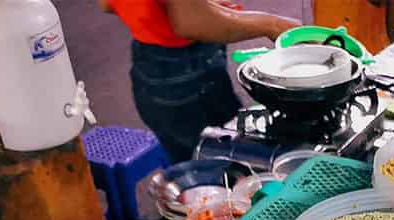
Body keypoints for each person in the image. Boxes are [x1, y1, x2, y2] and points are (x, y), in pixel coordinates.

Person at [99, 0, 300, 162]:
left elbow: (108, 4)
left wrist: (201, 7)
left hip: (150, 66)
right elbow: (190, 23)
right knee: (221, 160)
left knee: (188, 157)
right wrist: (273, 25)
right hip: (185, 76)